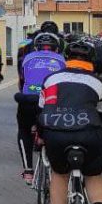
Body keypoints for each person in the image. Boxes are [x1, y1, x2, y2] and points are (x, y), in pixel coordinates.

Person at [38, 39, 102, 204]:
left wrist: (43, 137)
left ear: (66, 59)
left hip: (56, 133)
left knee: (60, 175)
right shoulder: (99, 82)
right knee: (93, 175)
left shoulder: (51, 79)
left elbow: (43, 111)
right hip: (90, 133)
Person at [14, 33, 66, 183]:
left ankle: (28, 170)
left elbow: (22, 80)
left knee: (24, 130)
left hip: (29, 99)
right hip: (51, 100)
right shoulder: (62, 60)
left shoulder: (27, 58)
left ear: (35, 47)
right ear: (57, 48)